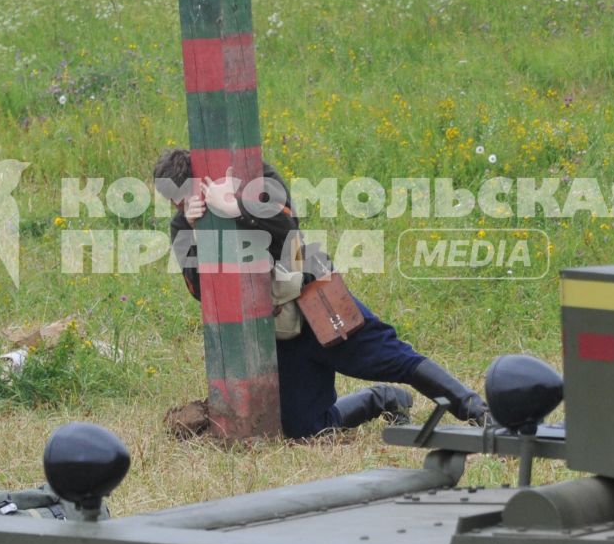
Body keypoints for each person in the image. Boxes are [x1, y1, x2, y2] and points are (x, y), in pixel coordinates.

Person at [152, 148, 485, 438]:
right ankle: (383, 399)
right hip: (279, 330)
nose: (179, 206)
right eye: (175, 202)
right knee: (305, 427)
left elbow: (288, 225)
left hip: (313, 295)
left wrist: (236, 207)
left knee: (395, 358)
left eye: (181, 198)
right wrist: (199, 232)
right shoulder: (183, 225)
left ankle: (480, 413)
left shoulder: (255, 175)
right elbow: (199, 291)